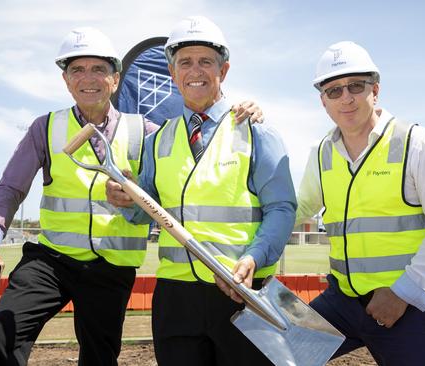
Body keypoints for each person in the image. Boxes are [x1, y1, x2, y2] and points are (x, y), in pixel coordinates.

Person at [0, 26, 262, 366]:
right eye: (77, 70)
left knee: (100, 358)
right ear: (66, 80)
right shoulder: (45, 128)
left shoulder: (147, 133)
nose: (88, 78)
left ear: (115, 79)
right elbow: (10, 188)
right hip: (51, 260)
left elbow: (198, 128)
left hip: (111, 268)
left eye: (98, 69)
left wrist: (241, 109)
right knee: (1, 335)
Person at [106, 16, 296, 365]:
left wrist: (254, 257)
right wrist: (124, 200)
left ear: (223, 70)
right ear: (173, 73)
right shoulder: (157, 140)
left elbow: (282, 208)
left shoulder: (256, 133)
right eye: (185, 63)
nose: (196, 70)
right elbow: (142, 211)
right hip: (176, 298)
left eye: (206, 61)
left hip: (242, 290)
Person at [295, 41, 425, 365]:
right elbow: (300, 209)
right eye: (334, 91)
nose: (345, 97)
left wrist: (404, 292)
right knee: (282, 350)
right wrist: (249, 244)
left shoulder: (416, 142)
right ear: (323, 102)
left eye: (355, 86)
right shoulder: (322, 153)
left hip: (406, 308)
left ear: (375, 89)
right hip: (342, 301)